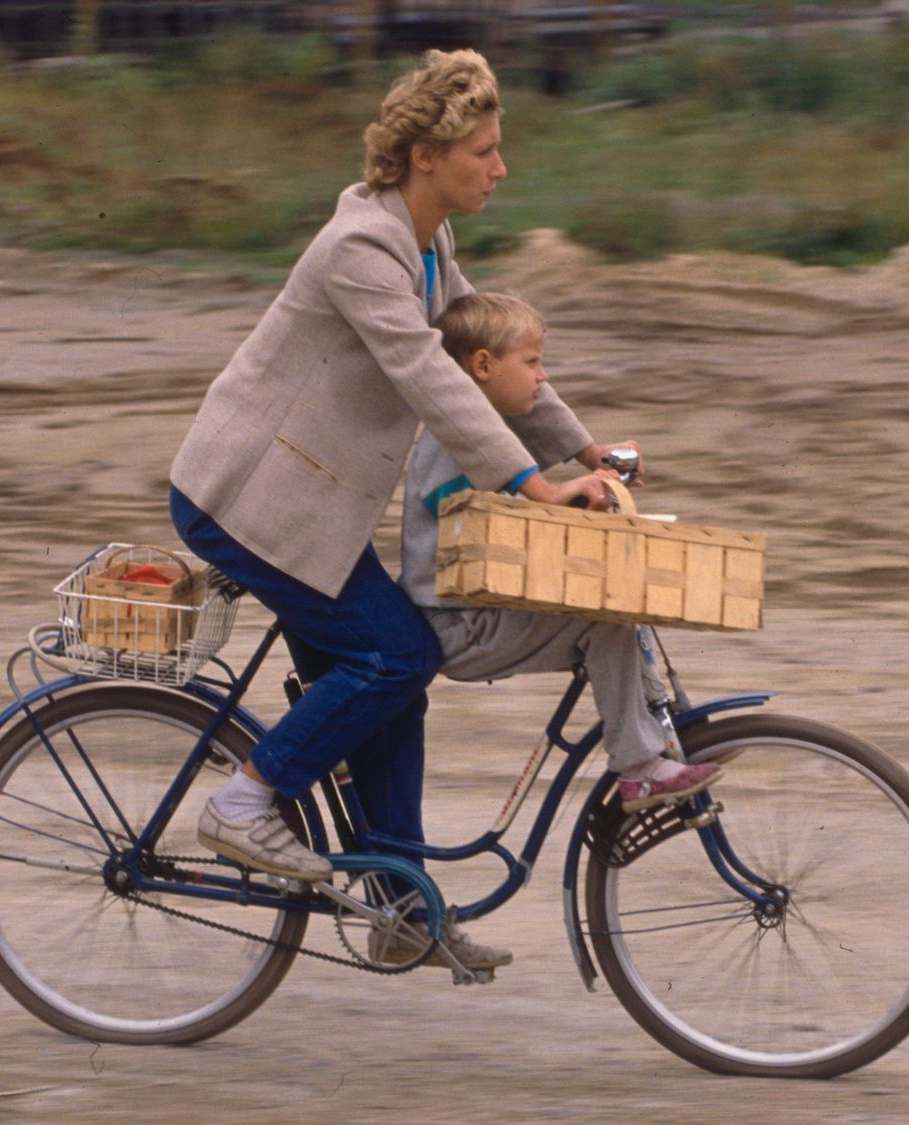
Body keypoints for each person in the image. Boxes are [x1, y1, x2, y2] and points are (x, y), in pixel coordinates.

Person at [166, 49, 628, 971]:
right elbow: (431, 379)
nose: (501, 168)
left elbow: (479, 359)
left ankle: (398, 906)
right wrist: (533, 484)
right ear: (427, 155)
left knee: (392, 691)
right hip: (247, 501)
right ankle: (244, 804)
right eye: (485, 151)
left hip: (311, 513)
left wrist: (583, 449)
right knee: (399, 653)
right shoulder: (362, 250)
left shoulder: (427, 245)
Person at [399, 292, 723, 814]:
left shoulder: (488, 424)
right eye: (531, 362)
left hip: (483, 612)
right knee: (606, 620)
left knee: (616, 605)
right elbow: (462, 513)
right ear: (482, 365)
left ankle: (657, 739)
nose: (542, 377)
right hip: (458, 624)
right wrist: (561, 499)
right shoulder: (451, 436)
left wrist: (584, 486)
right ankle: (639, 767)